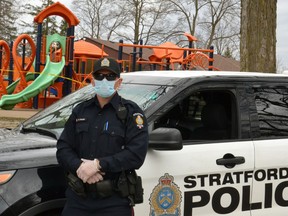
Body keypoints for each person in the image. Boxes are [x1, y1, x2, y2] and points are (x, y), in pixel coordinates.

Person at [56, 57, 149, 216]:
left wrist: (98, 165)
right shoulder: (80, 111)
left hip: (114, 201)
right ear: (92, 82)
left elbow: (136, 155)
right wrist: (80, 167)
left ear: (118, 82)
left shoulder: (131, 113)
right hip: (78, 198)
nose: (104, 80)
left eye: (110, 77)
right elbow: (63, 148)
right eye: (99, 76)